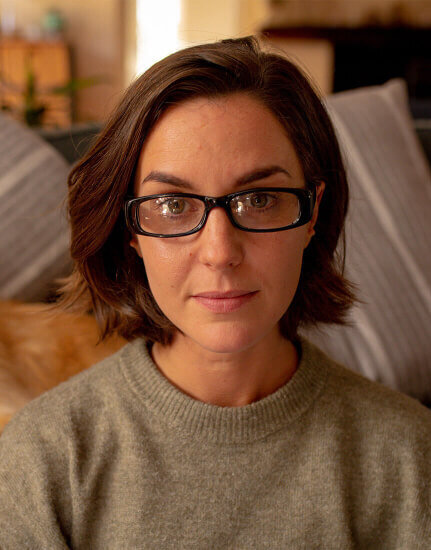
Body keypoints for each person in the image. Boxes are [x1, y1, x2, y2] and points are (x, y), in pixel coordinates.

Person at [0, 36, 430, 548]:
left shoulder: (410, 456)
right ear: (131, 230)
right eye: (173, 205)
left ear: (312, 213)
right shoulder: (43, 457)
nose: (220, 251)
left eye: (260, 199)